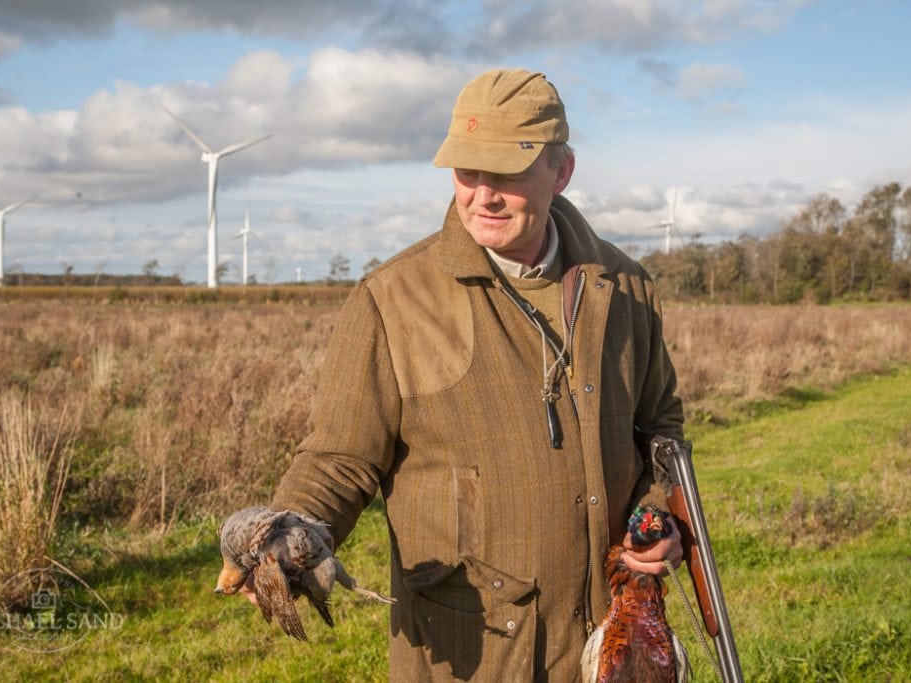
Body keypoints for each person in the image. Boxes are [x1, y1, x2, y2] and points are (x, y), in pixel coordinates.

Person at [265, 68, 685, 681]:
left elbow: (661, 429)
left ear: (561, 171)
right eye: (467, 172)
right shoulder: (393, 300)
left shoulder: (625, 288)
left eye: (507, 174)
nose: (482, 196)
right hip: (474, 648)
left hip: (608, 635)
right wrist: (283, 536)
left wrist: (657, 516)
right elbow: (340, 457)